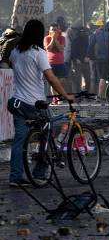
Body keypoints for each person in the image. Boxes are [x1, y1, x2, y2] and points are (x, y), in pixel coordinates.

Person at [6, 19, 74, 187]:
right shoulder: (38, 52)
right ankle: (39, 172)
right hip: (35, 104)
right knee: (47, 134)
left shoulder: (15, 52)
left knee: (19, 141)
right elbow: (51, 78)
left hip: (17, 103)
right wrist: (65, 95)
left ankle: (15, 177)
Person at [44, 23, 67, 102]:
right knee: (53, 81)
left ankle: (59, 96)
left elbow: (61, 49)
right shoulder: (46, 38)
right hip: (51, 63)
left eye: (55, 29)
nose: (54, 31)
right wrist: (53, 39)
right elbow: (48, 49)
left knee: (62, 80)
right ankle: (55, 99)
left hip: (60, 62)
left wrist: (56, 39)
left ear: (58, 30)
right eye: (52, 30)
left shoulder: (62, 38)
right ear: (49, 31)